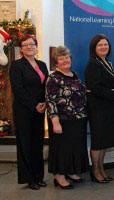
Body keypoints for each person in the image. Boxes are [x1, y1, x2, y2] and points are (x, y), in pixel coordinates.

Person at [46, 46, 89, 189]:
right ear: (56, 62)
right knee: (62, 149)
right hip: (62, 119)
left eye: (67, 57)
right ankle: (59, 175)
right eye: (61, 58)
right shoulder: (53, 78)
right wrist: (55, 122)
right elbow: (50, 100)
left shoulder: (74, 74)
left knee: (74, 147)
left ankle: (70, 172)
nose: (65, 60)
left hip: (78, 118)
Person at [9, 34, 48, 190]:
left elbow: (45, 86)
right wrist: (35, 104)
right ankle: (29, 178)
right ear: (21, 48)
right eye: (25, 45)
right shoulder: (17, 65)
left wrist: (44, 103)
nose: (29, 47)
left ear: (36, 46)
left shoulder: (42, 64)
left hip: (40, 109)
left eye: (31, 44)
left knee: (37, 144)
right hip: (24, 110)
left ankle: (39, 177)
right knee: (26, 144)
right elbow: (18, 90)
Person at [85, 34, 114, 184]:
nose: (103, 47)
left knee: (104, 141)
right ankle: (95, 171)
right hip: (98, 108)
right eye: (100, 45)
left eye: (105, 44)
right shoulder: (93, 64)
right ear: (94, 48)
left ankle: (101, 169)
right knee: (98, 142)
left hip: (109, 108)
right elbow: (94, 87)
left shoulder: (107, 62)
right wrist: (113, 96)